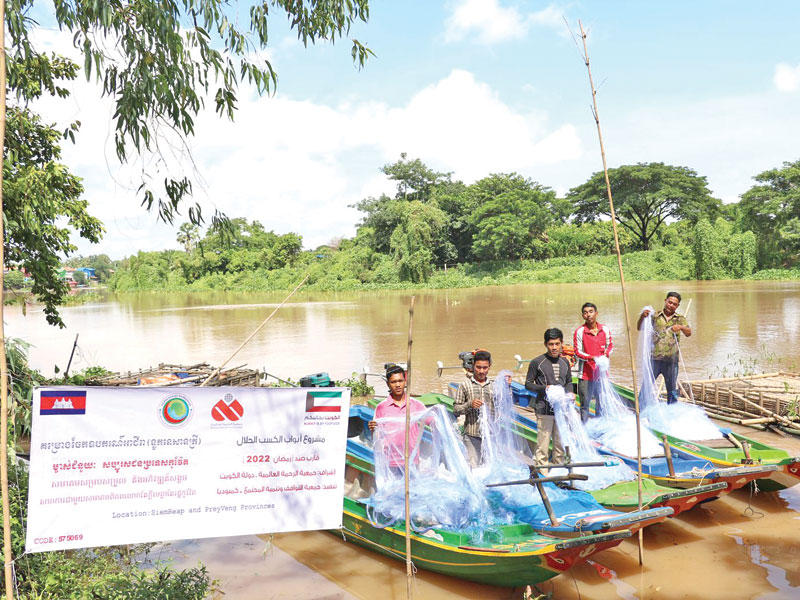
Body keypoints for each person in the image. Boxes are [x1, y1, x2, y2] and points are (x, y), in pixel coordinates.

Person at [525, 329, 572, 470]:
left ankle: (558, 471)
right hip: (543, 409)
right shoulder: (537, 362)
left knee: (560, 444)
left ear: (562, 343)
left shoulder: (565, 362)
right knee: (543, 445)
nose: (554, 348)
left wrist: (571, 393)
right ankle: (542, 471)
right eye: (551, 344)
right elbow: (528, 384)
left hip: (561, 410)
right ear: (545, 344)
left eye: (557, 344)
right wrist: (544, 388)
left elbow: (569, 381)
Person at [369, 364, 427, 473]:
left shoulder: (416, 405)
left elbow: (432, 421)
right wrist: (372, 428)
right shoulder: (381, 407)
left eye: (400, 381)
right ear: (388, 384)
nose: (398, 385)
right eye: (393, 382)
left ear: (405, 382)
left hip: (411, 459)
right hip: (390, 461)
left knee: (412, 484)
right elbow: (377, 435)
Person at [637, 291, 692, 404]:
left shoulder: (680, 319)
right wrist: (642, 316)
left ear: (677, 306)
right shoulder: (655, 316)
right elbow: (639, 327)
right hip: (654, 359)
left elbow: (689, 333)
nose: (671, 305)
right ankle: (639, 409)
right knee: (646, 386)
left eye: (674, 304)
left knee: (671, 390)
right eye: (669, 302)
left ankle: (671, 410)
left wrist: (681, 327)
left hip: (671, 361)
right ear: (665, 301)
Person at [453, 350, 495, 467]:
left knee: (489, 467)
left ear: (489, 367)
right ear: (473, 366)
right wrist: (469, 405)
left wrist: (508, 387)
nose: (481, 371)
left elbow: (504, 407)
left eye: (485, 368)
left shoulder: (494, 386)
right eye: (478, 367)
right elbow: (456, 410)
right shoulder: (465, 385)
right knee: (473, 468)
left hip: (490, 436)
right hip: (471, 436)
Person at [573, 302, 614, 422]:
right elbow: (577, 352)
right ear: (583, 316)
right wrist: (593, 358)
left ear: (596, 313)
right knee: (585, 404)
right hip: (585, 374)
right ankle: (585, 426)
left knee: (601, 402)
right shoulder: (580, 331)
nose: (588, 315)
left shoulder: (604, 329)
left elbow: (610, 346)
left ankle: (599, 425)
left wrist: (605, 356)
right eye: (585, 313)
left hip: (601, 374)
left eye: (591, 312)